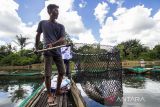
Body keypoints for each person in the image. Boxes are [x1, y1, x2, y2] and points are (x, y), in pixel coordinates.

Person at [35, 4, 66, 106]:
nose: (57, 13)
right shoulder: (42, 23)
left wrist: (53, 44)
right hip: (47, 52)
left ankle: (57, 90)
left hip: (57, 51)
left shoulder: (61, 26)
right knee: (47, 74)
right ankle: (49, 95)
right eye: (55, 10)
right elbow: (38, 35)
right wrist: (36, 47)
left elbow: (62, 39)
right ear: (49, 11)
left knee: (62, 71)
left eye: (58, 11)